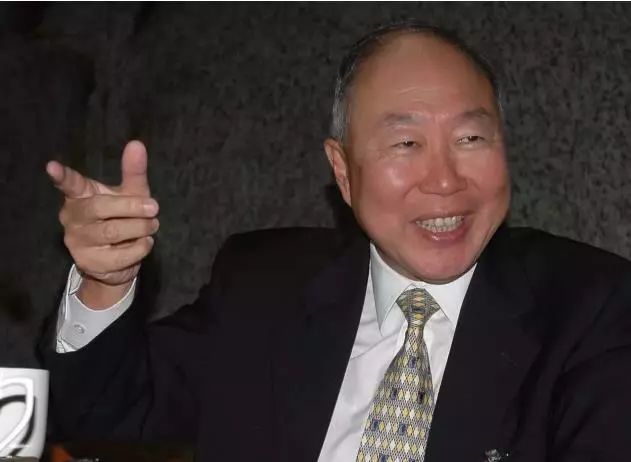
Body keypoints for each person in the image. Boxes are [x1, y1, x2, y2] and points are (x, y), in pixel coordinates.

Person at [41, 22, 631, 462]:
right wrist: (105, 282)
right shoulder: (263, 286)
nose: (445, 180)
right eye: (406, 144)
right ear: (343, 172)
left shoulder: (592, 308)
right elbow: (105, 417)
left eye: (471, 138)